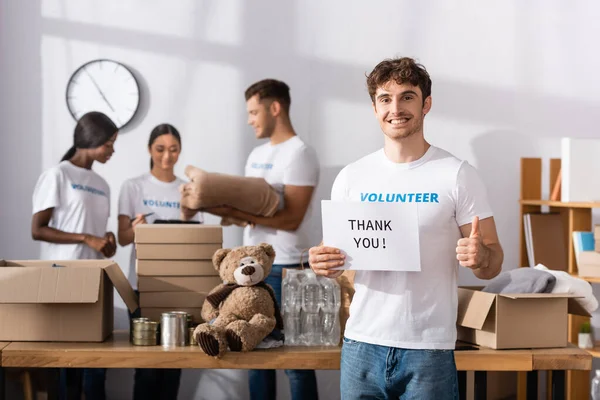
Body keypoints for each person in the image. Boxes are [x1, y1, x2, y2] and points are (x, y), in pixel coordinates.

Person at [308, 57, 504, 399]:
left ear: (426, 103)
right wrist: (322, 263)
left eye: (407, 96)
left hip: (428, 349)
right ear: (374, 108)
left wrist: (480, 255)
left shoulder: (457, 174)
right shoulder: (352, 177)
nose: (395, 108)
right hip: (361, 345)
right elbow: (335, 256)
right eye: (385, 98)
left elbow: (493, 262)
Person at [206, 79, 320, 400]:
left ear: (275, 108)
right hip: (251, 271)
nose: (249, 119)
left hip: (286, 268)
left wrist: (243, 213)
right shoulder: (256, 155)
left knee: (296, 359)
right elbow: (248, 209)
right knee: (253, 354)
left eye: (254, 112)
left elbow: (292, 218)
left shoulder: (300, 154)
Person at [31, 111, 119, 400]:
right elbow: (38, 229)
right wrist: (85, 238)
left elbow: (97, 233)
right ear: (91, 140)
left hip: (95, 282)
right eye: (108, 144)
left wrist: (107, 240)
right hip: (61, 281)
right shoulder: (58, 175)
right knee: (65, 366)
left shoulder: (103, 185)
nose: (112, 150)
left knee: (95, 365)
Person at [118, 123, 202, 400]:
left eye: (174, 150)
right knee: (147, 364)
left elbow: (197, 240)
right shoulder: (133, 186)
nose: (167, 156)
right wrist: (136, 227)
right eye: (160, 149)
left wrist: (188, 217)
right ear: (149, 150)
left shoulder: (187, 189)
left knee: (174, 362)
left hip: (179, 287)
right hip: (144, 285)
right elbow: (122, 237)